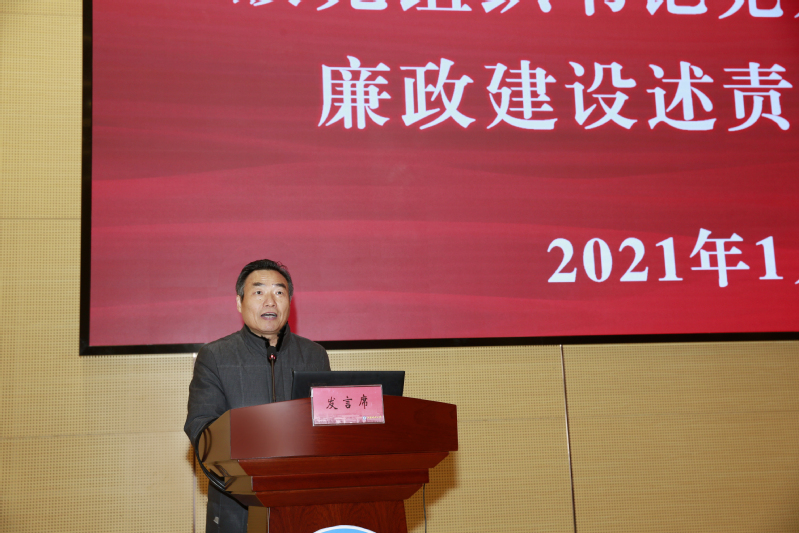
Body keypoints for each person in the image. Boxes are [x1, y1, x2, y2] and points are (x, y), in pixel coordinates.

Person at [185, 259, 331, 533]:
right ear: (239, 303)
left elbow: (327, 427)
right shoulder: (215, 356)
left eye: (279, 292)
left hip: (302, 504)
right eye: (259, 292)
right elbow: (201, 427)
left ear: (289, 302)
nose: (270, 301)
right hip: (236, 505)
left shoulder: (314, 356)